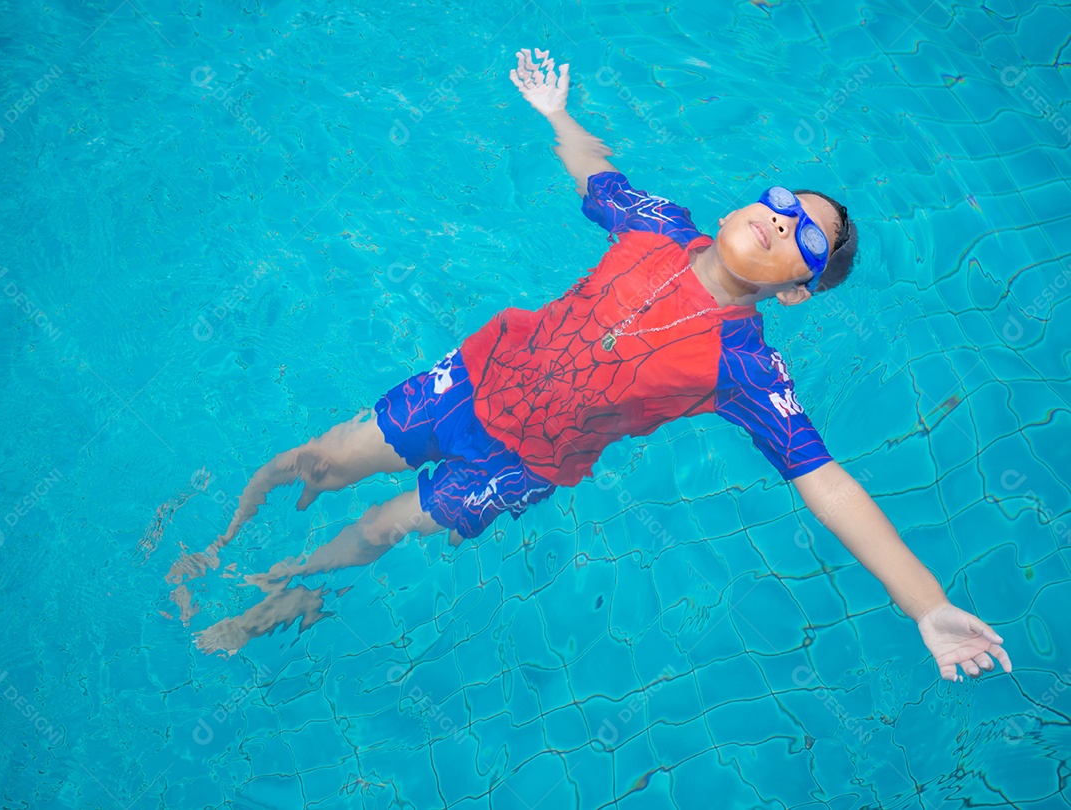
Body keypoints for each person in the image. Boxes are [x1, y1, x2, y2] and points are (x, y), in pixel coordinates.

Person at [176, 49, 1012, 683]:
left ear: (796, 291)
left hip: (523, 464)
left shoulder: (747, 369)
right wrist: (557, 114)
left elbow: (828, 485)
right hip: (472, 380)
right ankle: (216, 540)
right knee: (324, 459)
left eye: (807, 237)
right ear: (749, 202)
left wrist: (927, 605)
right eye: (784, 203)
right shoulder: (656, 225)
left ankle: (280, 595)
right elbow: (597, 171)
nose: (783, 220)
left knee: (382, 527)